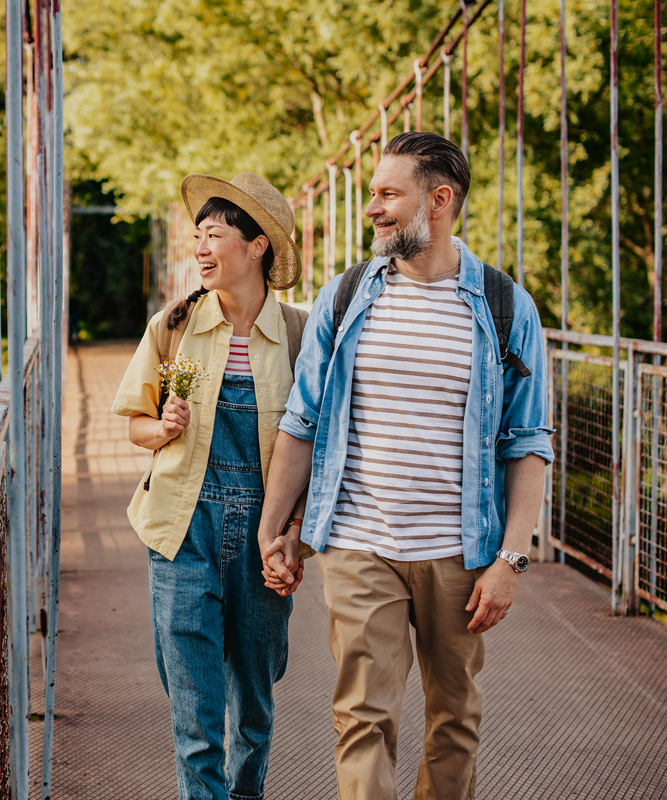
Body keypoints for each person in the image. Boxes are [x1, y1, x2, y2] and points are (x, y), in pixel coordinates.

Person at [257, 131, 553, 800]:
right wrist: (275, 531)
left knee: (456, 716)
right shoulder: (345, 298)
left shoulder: (506, 308)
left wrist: (510, 561)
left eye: (389, 195)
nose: (373, 209)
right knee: (362, 716)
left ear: (439, 200)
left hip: (462, 553)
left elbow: (529, 444)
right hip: (360, 543)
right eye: (371, 194)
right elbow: (301, 422)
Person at [111, 172, 307, 800]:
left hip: (263, 538)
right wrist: (162, 425)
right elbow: (137, 425)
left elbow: (319, 450)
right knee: (195, 714)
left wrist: (294, 536)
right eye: (196, 235)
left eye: (214, 235)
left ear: (257, 246)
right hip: (183, 529)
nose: (199, 247)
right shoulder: (175, 327)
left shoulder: (301, 338)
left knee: (252, 707)